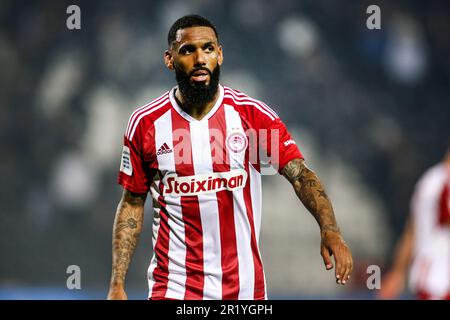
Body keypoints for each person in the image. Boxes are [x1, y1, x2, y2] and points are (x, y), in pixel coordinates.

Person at [107, 14, 353, 300]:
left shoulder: (252, 117)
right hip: (173, 290)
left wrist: (330, 229)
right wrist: (117, 284)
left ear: (220, 55)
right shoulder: (146, 123)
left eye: (208, 49)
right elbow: (132, 203)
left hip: (243, 293)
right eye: (188, 50)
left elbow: (300, 176)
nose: (200, 58)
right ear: (169, 59)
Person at [378, 146, 450, 300]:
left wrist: (397, 271)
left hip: (426, 275)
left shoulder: (428, 181)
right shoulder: (444, 184)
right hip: (441, 279)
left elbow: (411, 231)